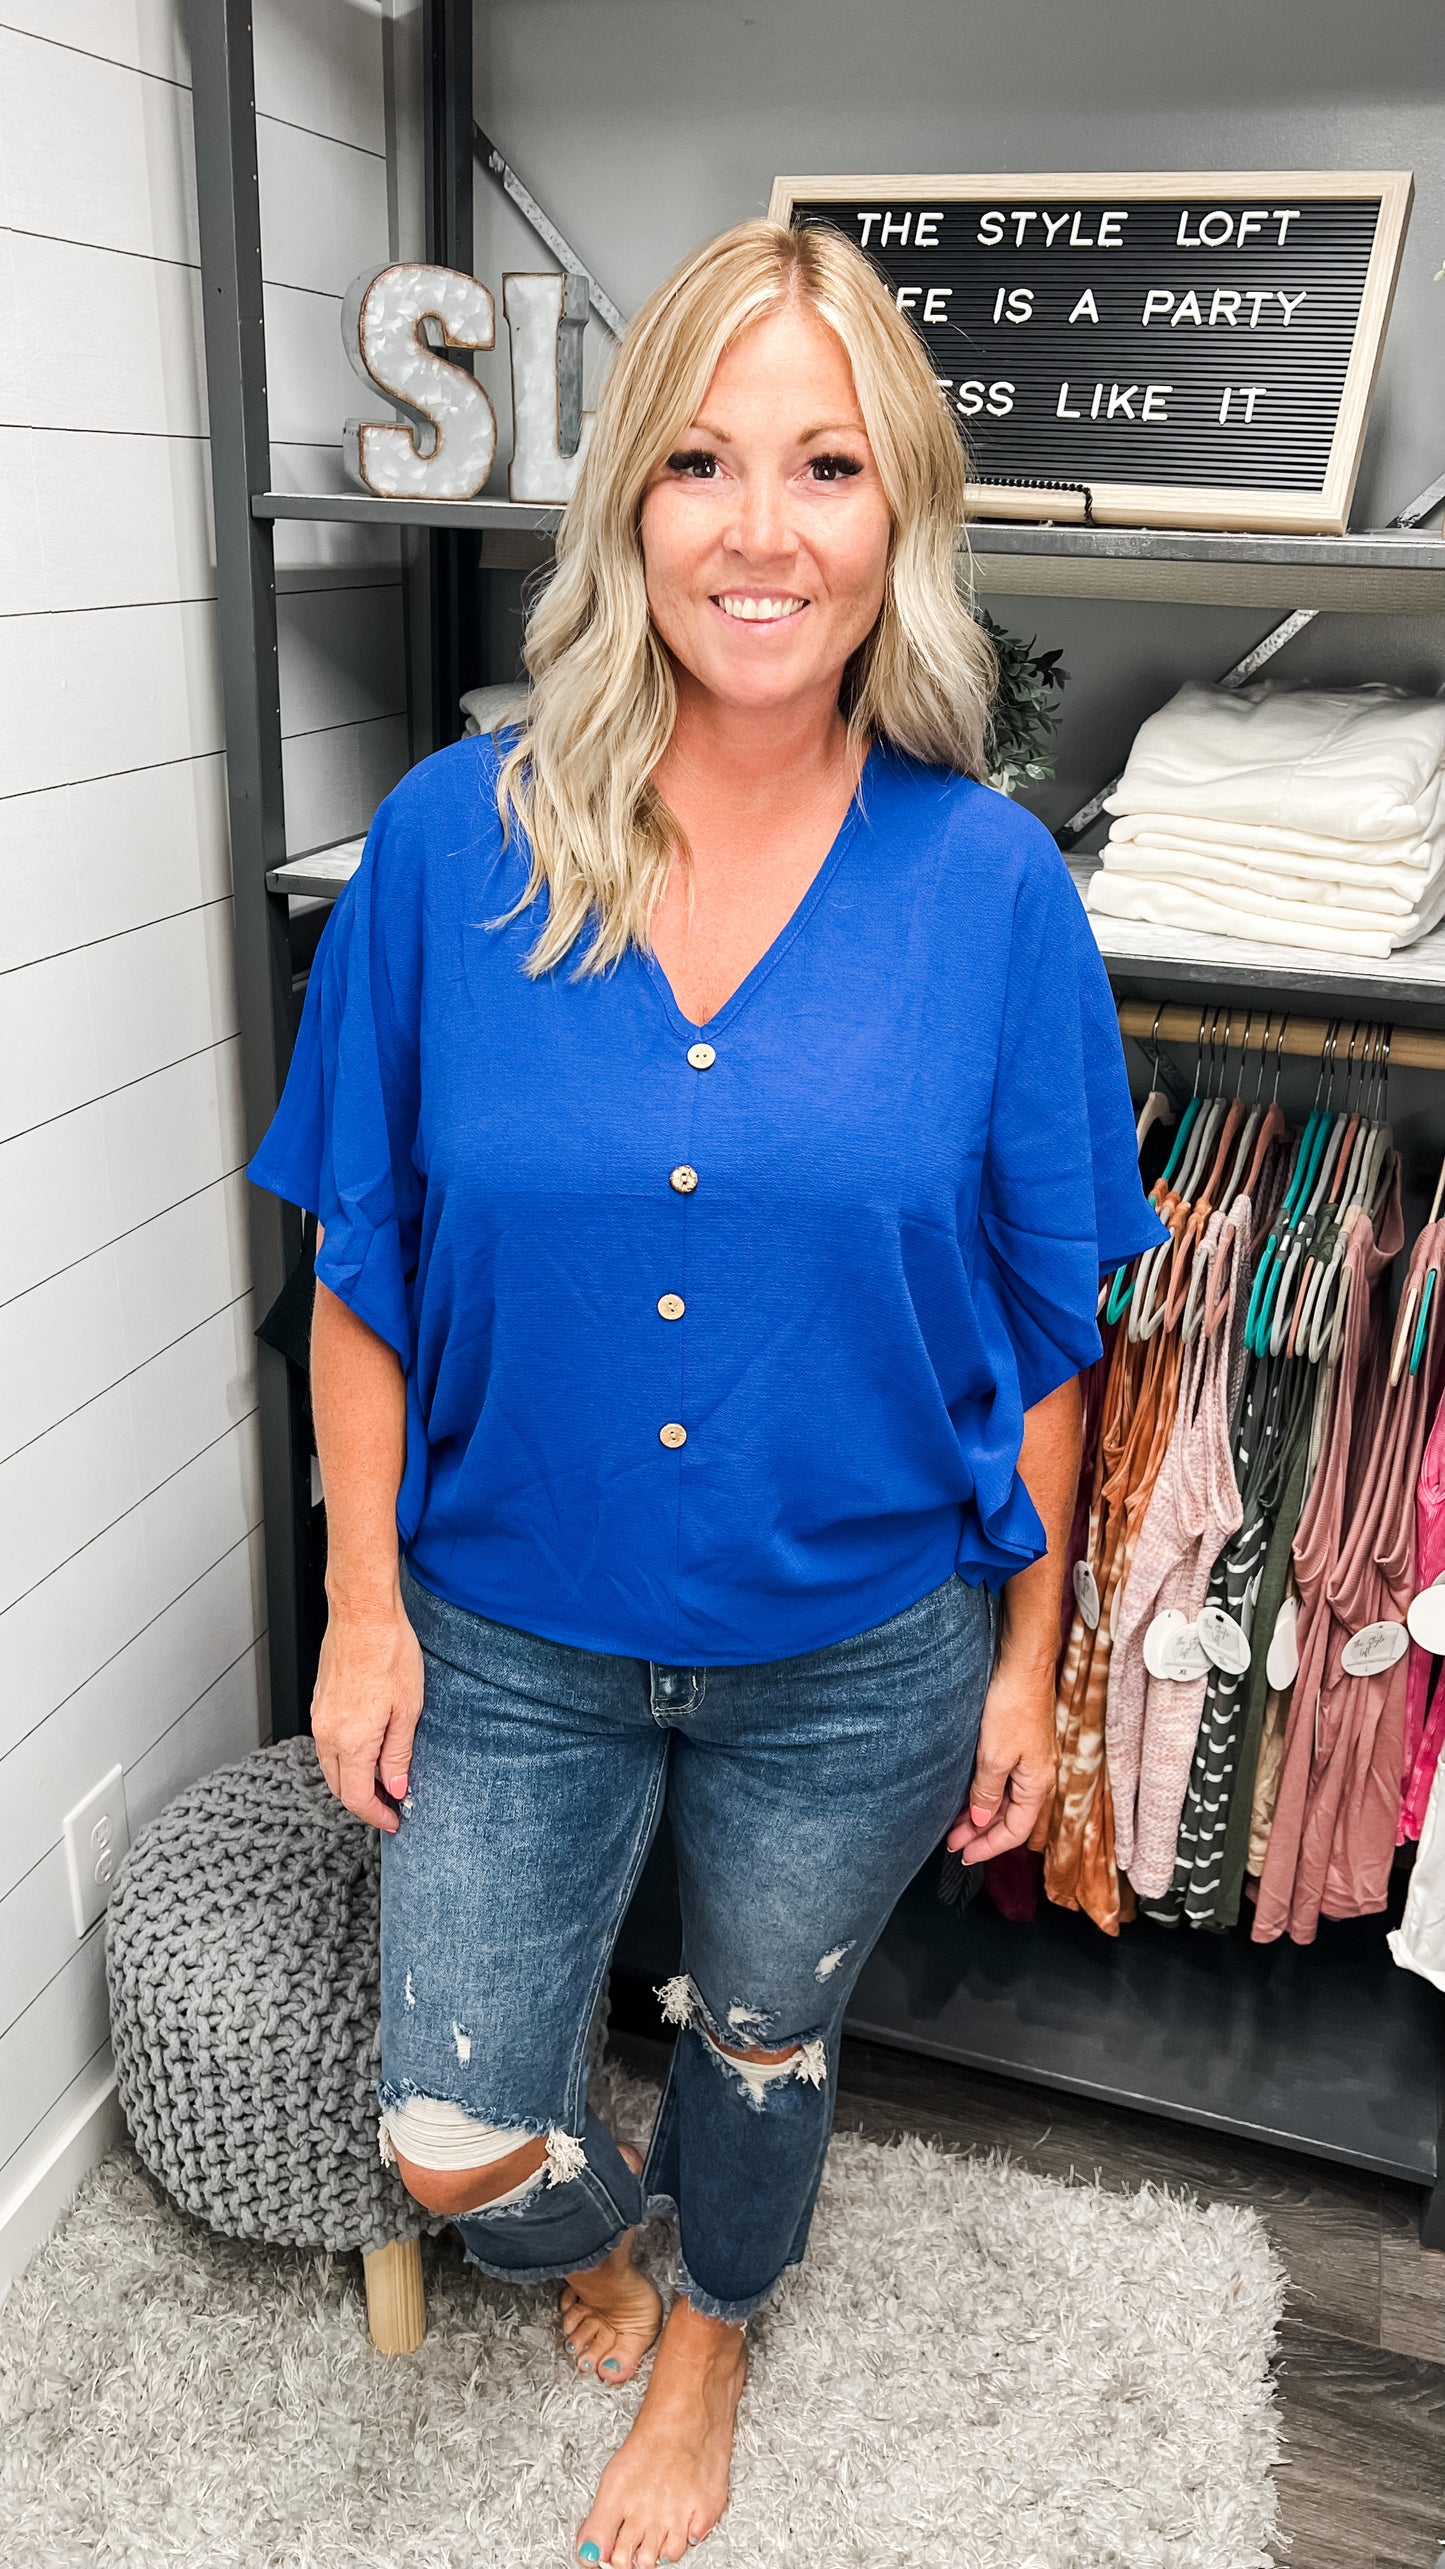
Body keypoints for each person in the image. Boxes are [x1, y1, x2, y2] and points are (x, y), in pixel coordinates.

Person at [250, 216, 1164, 2569]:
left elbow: (1046, 1325)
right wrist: (364, 1608)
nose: (761, 531)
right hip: (508, 1632)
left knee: (763, 2037)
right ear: (626, 503)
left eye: (826, 466)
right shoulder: (447, 850)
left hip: (859, 1652)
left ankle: (717, 2321)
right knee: (456, 2138)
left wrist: (1031, 1665)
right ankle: (609, 2235)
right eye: (700, 462)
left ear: (900, 515)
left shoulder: (992, 890)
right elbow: (364, 1263)